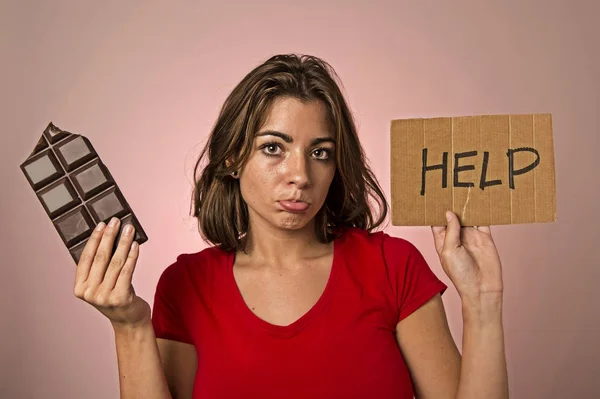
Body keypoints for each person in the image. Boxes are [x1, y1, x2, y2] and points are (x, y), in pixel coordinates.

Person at [73, 54, 508, 399]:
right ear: (232, 158)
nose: (299, 174)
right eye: (273, 148)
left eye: (320, 152)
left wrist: (483, 302)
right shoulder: (187, 285)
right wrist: (129, 328)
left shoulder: (393, 267)